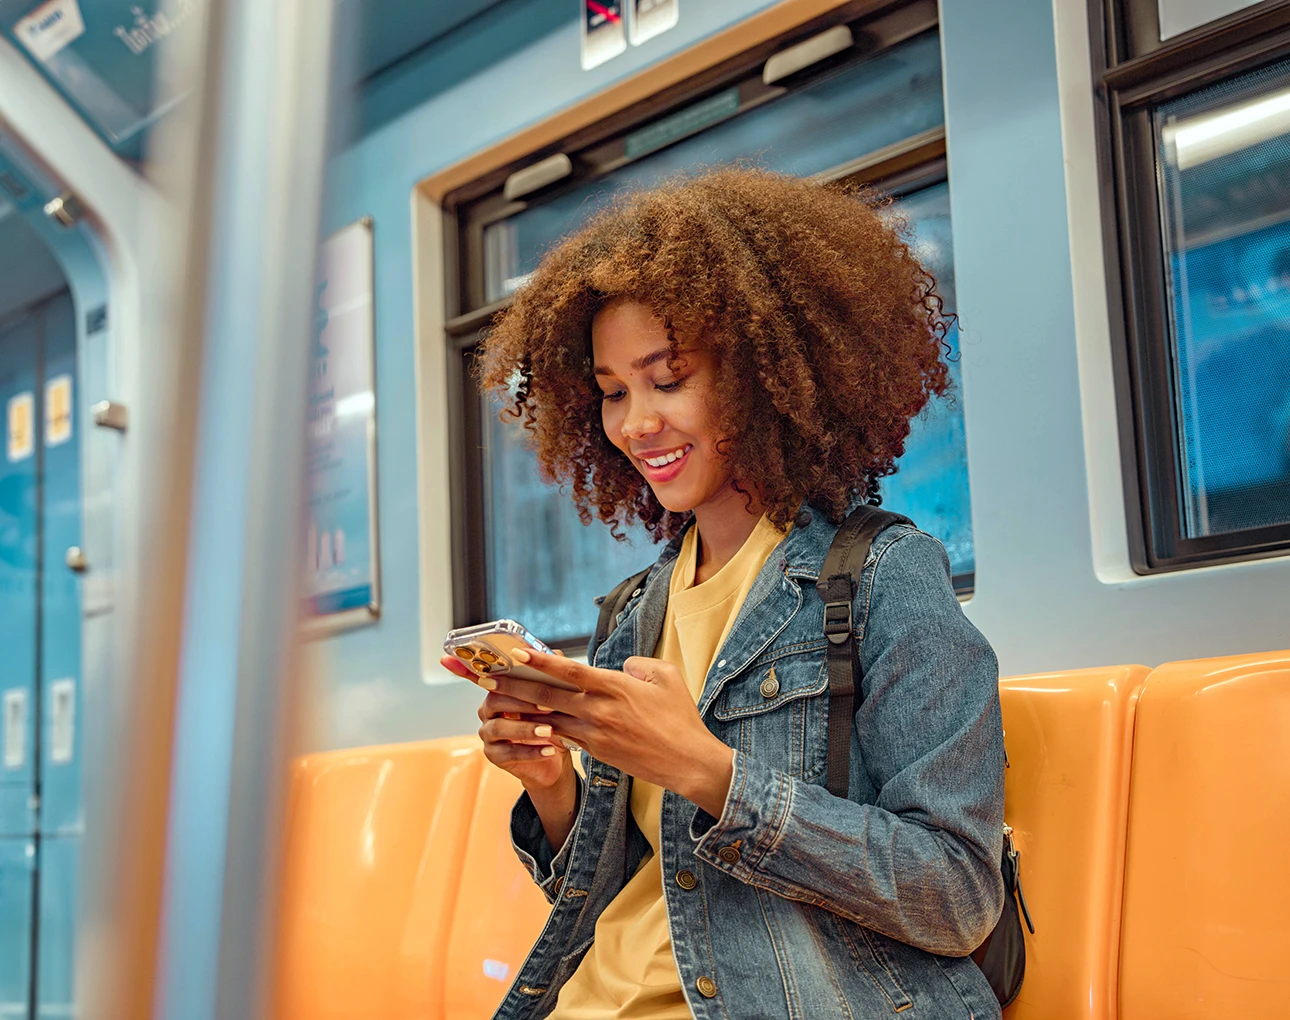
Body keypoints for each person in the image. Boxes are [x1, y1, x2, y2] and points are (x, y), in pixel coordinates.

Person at [440, 168, 1006, 1020]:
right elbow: (629, 896)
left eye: (669, 380)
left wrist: (709, 772)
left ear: (765, 372)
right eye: (612, 393)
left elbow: (956, 896)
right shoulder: (633, 613)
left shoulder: (883, 577)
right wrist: (553, 784)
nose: (635, 425)